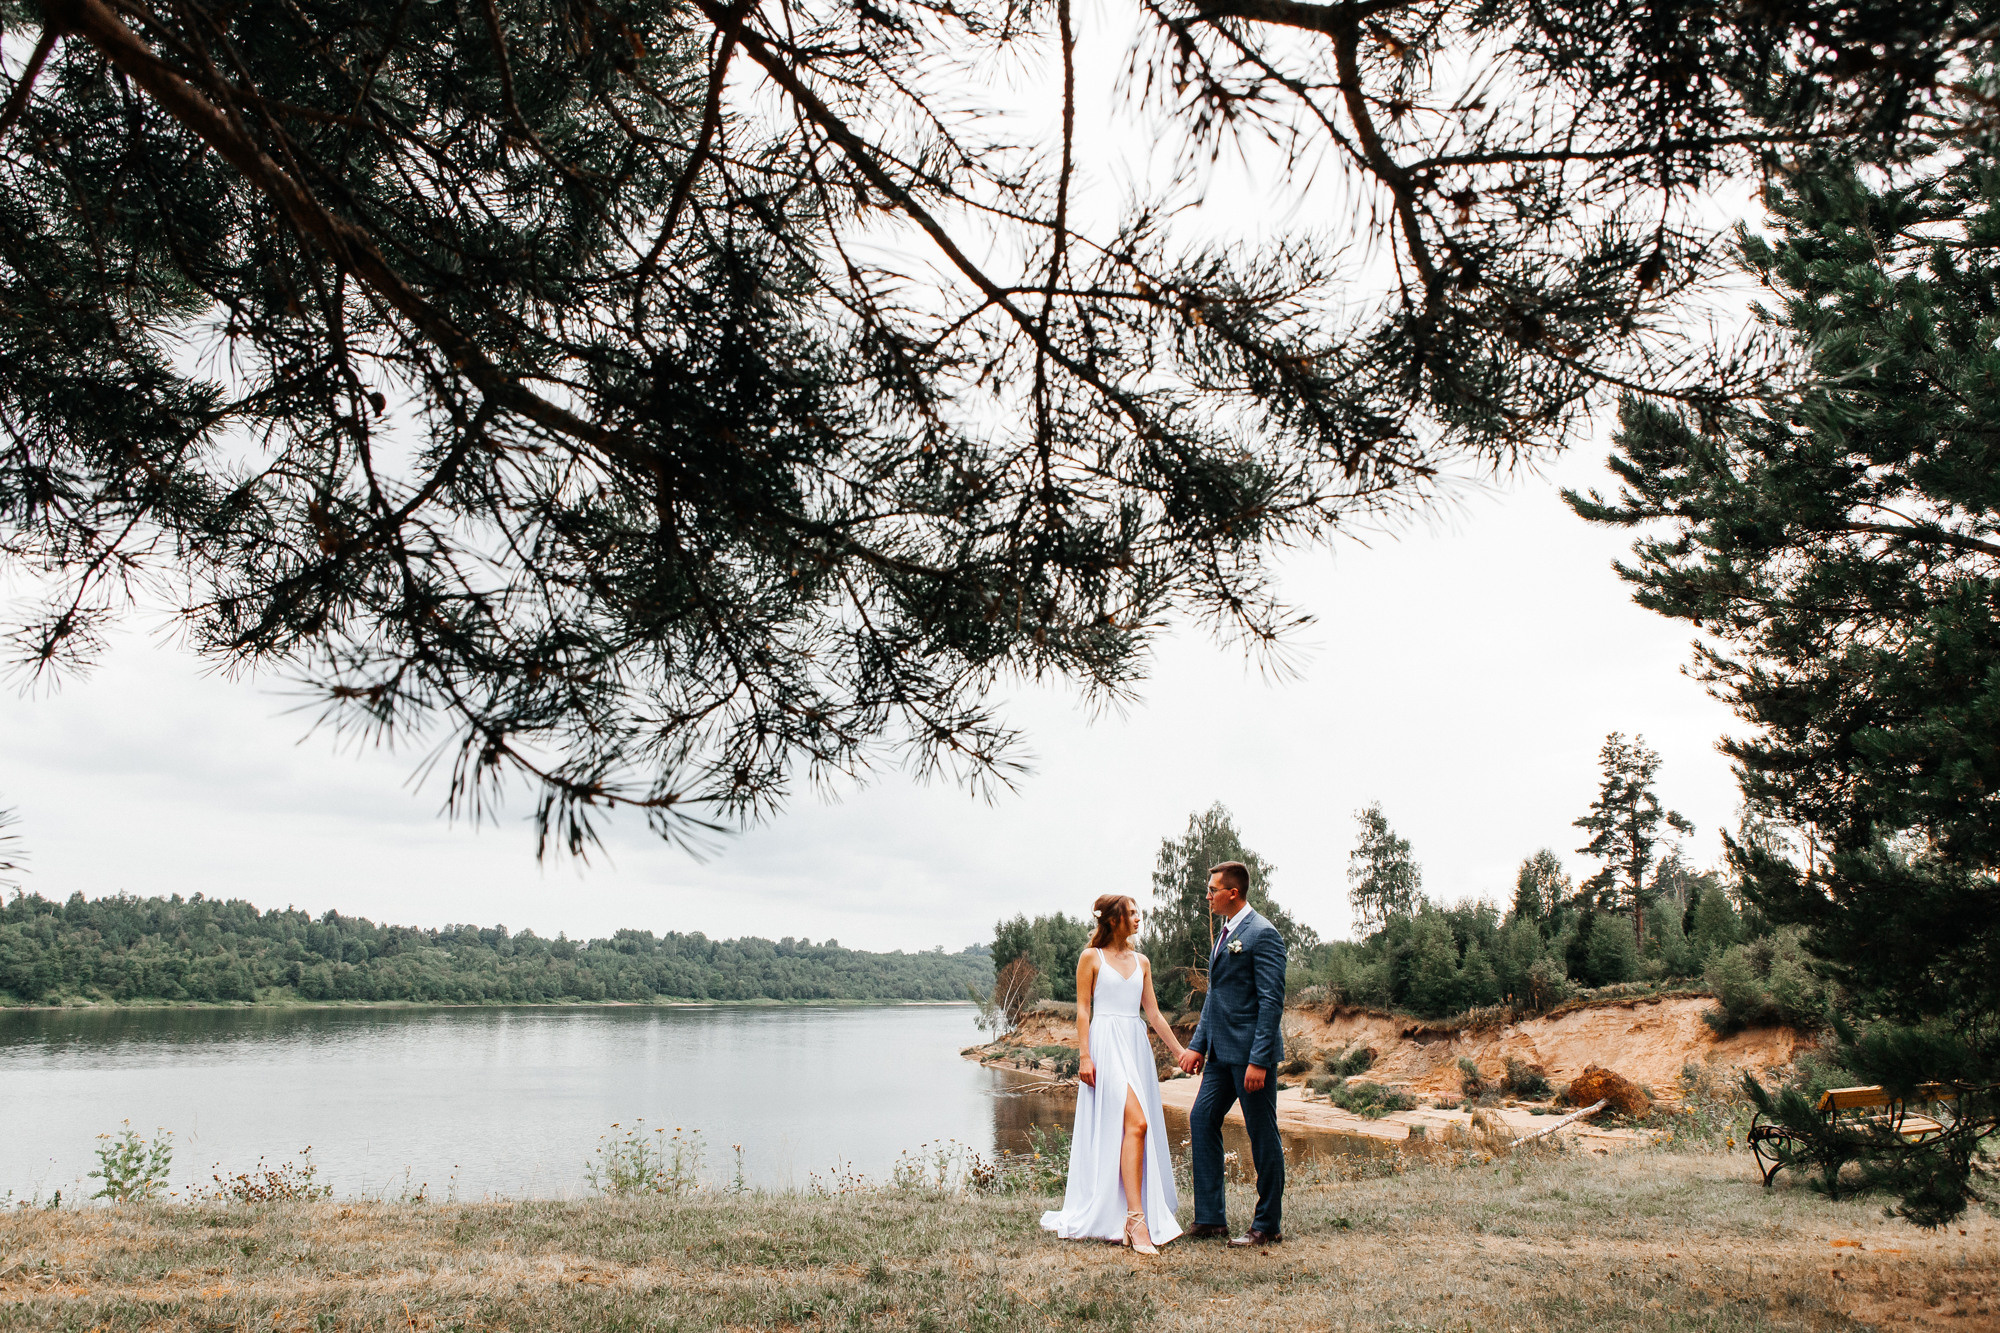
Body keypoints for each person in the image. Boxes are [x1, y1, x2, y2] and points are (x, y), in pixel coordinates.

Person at [1039, 894, 1192, 1254]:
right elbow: (1082, 1009)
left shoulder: (1142, 961)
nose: (1138, 918)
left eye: (1139, 913)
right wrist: (1084, 1056)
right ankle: (1136, 1221)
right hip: (1105, 1045)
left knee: (1134, 1128)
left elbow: (1152, 1014)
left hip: (1135, 1045)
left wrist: (1180, 1052)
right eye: (1132, 913)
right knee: (1136, 1124)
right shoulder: (1091, 958)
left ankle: (1131, 1213)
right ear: (1113, 919)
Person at [1176, 861, 1287, 1246]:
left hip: (1251, 1057)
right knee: (1201, 1119)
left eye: (1212, 890)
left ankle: (1267, 1225)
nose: (1207, 896)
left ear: (1233, 893)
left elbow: (1272, 1002)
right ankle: (1210, 1218)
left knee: (1262, 1135)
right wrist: (1196, 1045)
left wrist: (1259, 1060)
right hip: (1221, 1057)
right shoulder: (1225, 934)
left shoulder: (1263, 934)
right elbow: (1216, 998)